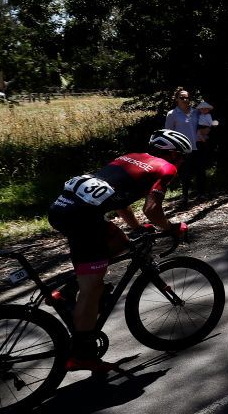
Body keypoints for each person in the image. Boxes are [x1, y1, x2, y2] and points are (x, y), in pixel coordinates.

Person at [48, 129, 191, 371]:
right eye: (183, 157)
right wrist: (171, 228)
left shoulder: (131, 157)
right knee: (92, 288)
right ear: (175, 154)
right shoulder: (166, 168)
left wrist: (136, 229)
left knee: (120, 241)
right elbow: (152, 210)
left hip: (62, 208)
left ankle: (69, 290)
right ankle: (82, 355)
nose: (183, 162)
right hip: (82, 218)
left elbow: (120, 201)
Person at [165, 87, 199, 204]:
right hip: (182, 148)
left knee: (200, 170)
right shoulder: (172, 114)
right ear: (176, 99)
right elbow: (168, 133)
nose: (185, 99)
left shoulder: (196, 112)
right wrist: (172, 149)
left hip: (198, 146)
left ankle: (201, 195)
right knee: (185, 173)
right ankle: (185, 197)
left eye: (187, 97)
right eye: (182, 97)